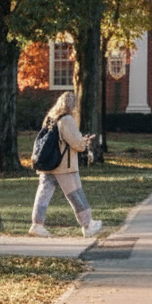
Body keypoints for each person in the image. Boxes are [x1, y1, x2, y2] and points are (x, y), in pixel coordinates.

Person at [29, 91, 103, 238]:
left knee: (43, 195)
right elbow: (77, 144)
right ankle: (88, 225)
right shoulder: (67, 119)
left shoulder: (50, 118)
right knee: (75, 195)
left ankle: (37, 225)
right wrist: (84, 141)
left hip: (49, 164)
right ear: (71, 105)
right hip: (64, 167)